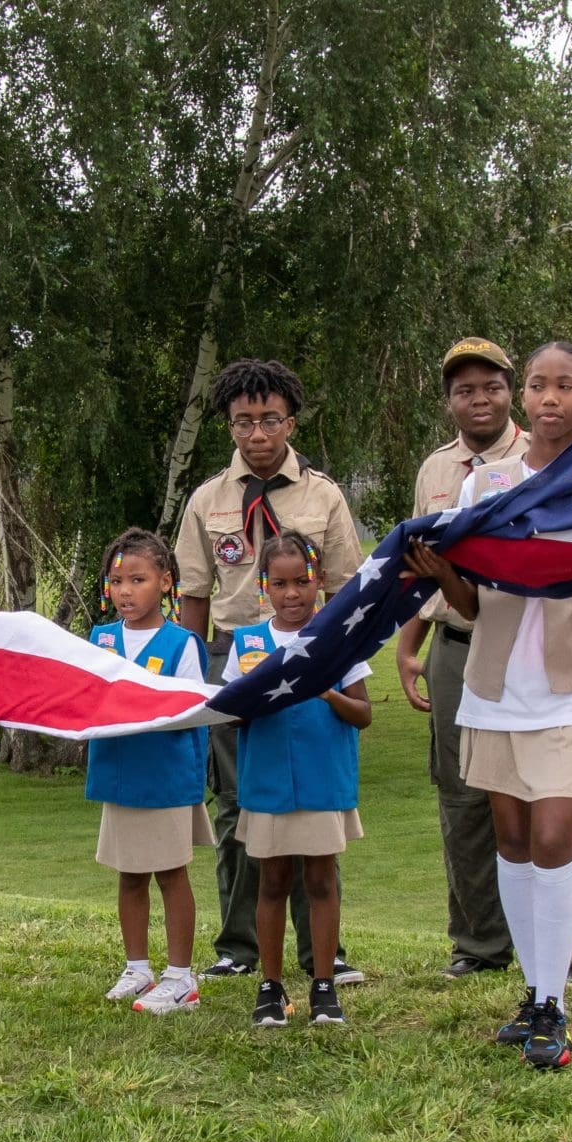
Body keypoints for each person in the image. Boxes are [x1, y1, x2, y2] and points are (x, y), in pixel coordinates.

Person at [406, 342, 572, 1072]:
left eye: (565, 385)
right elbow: (472, 602)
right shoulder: (489, 487)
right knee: (508, 839)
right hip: (497, 684)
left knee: (553, 837)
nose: (549, 397)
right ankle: (533, 996)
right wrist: (446, 574)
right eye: (539, 384)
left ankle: (558, 1003)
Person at [394, 336, 572, 982]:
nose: (478, 398)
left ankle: (565, 956)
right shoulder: (443, 473)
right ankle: (480, 943)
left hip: (555, 663)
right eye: (463, 389)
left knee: (553, 818)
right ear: (449, 399)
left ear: (511, 392)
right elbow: (434, 572)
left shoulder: (570, 464)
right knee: (466, 801)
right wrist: (408, 646)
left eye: (491, 386)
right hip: (465, 650)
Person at [173, 358, 365, 986]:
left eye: (271, 419)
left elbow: (344, 588)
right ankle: (239, 944)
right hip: (237, 655)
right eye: (244, 421)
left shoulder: (323, 493)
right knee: (237, 804)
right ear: (228, 425)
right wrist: (196, 678)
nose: (258, 434)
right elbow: (195, 594)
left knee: (313, 802)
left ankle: (322, 953)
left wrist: (337, 659)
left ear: (291, 420)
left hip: (311, 652)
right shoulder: (208, 499)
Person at [225, 535, 373, 1027]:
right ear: (263, 587)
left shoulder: (339, 639)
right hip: (267, 783)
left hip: (320, 781)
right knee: (271, 881)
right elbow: (229, 713)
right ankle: (270, 987)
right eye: (280, 583)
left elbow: (363, 713)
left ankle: (324, 986)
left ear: (320, 581)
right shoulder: (247, 644)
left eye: (302, 582)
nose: (292, 594)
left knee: (320, 879)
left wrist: (328, 692)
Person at [83, 528, 213, 1016]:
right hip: (119, 775)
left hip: (165, 779)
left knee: (169, 873)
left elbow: (190, 711)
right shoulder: (101, 639)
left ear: (165, 581)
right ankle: (137, 966)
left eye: (137, 579)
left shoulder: (182, 644)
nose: (125, 591)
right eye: (116, 581)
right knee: (129, 874)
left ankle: (182, 977)